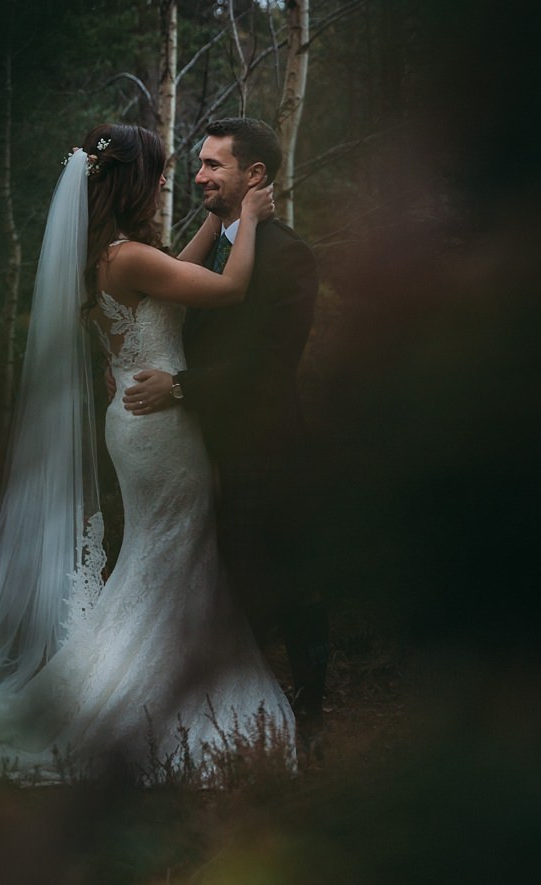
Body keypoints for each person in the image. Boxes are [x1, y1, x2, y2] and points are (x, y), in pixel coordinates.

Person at [0, 123, 293, 783]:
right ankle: (150, 690)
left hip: (133, 423)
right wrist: (248, 219)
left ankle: (151, 674)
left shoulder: (108, 256)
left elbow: (177, 275)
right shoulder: (131, 258)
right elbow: (229, 288)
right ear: (136, 183)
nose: (172, 183)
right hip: (161, 428)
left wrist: (208, 225)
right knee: (169, 555)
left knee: (158, 554)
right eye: (163, 175)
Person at [121, 117, 329, 726]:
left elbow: (269, 366)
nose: (200, 174)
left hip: (262, 450)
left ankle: (307, 712)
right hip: (190, 447)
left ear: (254, 174)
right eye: (200, 163)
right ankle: (220, 707)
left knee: (284, 581)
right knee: (215, 582)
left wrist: (180, 386)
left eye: (215, 164)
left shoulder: (289, 257)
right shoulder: (212, 245)